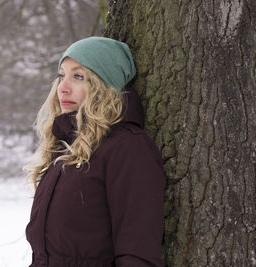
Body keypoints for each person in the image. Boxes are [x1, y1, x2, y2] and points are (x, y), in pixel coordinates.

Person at [25, 37, 165, 267]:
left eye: (78, 76)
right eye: (62, 75)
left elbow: (138, 253)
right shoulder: (66, 149)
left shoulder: (127, 148)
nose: (63, 87)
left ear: (104, 85)